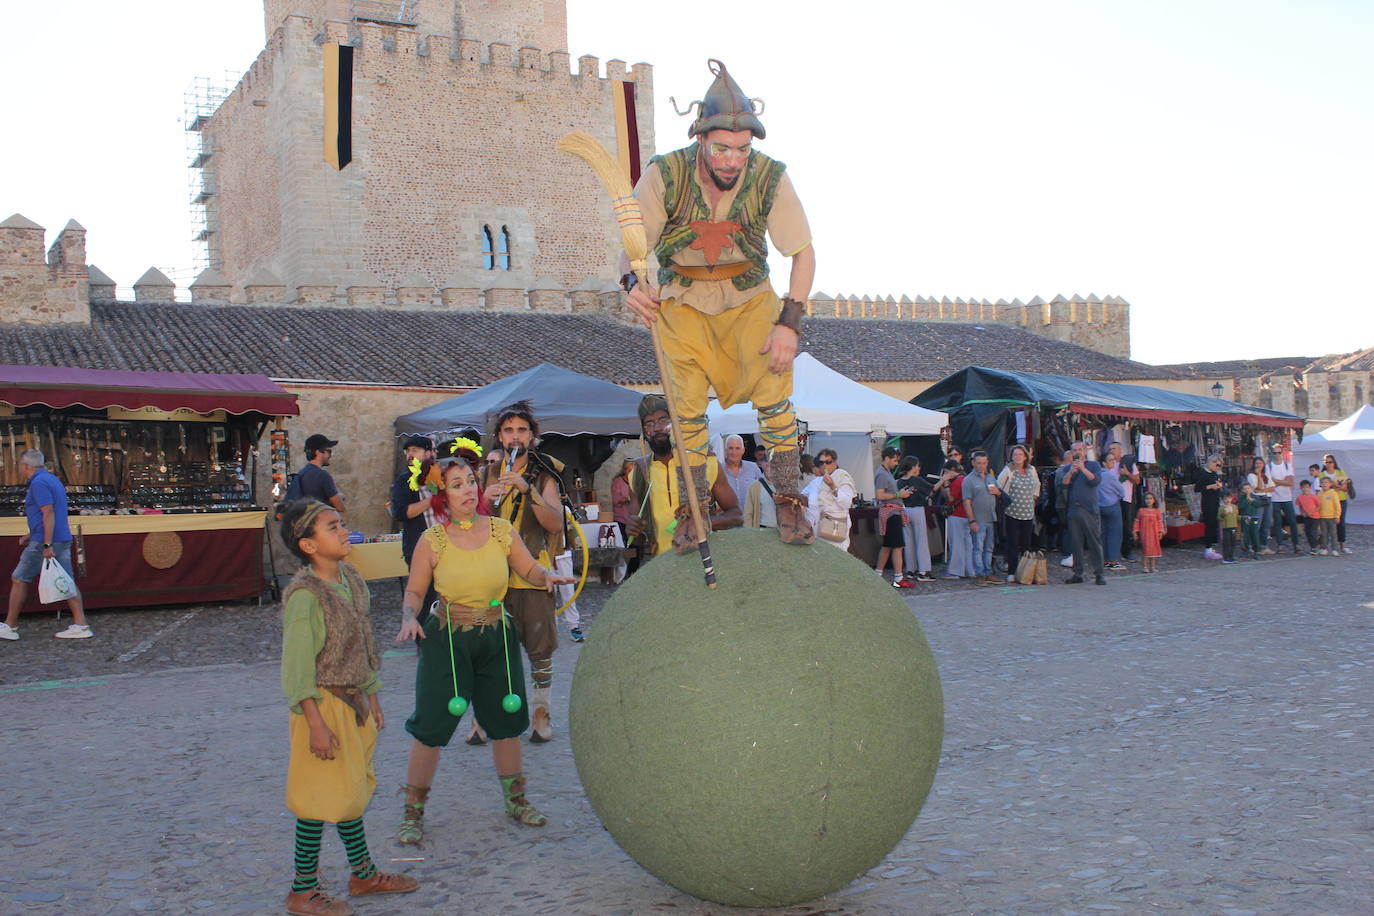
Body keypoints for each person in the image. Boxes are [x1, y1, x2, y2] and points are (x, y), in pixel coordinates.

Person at [623, 59, 815, 548]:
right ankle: (693, 509)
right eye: (722, 148)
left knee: (775, 398)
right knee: (685, 413)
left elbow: (802, 252)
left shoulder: (770, 177)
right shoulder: (665, 173)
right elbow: (631, 242)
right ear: (701, 139)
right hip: (681, 306)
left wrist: (789, 323)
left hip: (750, 301)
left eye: (742, 149)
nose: (733, 159)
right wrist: (630, 282)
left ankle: (790, 501)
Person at [394, 454, 576, 846]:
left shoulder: (500, 530)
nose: (467, 489)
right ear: (442, 493)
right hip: (447, 639)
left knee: (507, 722)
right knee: (430, 727)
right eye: (456, 483)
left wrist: (547, 577)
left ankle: (517, 800)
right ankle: (413, 811)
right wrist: (410, 616)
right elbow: (415, 590)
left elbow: (527, 569)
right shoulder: (433, 539)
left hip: (496, 636)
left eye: (470, 481)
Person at [278, 499, 418, 915]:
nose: (343, 532)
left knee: (349, 792)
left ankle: (362, 875)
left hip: (353, 702)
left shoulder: (352, 579)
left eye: (342, 524)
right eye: (332, 527)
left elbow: (363, 642)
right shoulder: (306, 598)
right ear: (308, 545)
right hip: (321, 707)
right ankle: (302, 889)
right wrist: (316, 724)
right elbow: (297, 669)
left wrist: (372, 694)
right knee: (318, 798)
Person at [481, 402, 566, 744]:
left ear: (532, 437)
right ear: (499, 436)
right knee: (489, 648)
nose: (514, 436)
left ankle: (541, 712)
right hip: (490, 576)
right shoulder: (486, 473)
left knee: (539, 648)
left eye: (521, 430)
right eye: (508, 430)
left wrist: (526, 489)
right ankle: (487, 715)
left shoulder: (545, 474)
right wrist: (483, 499)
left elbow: (554, 523)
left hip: (532, 573)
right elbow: (465, 523)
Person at [625, 395, 741, 560]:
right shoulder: (638, 472)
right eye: (649, 423)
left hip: (702, 561)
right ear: (644, 432)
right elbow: (639, 537)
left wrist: (701, 523)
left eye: (663, 420)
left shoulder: (704, 462)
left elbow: (736, 515)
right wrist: (633, 529)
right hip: (660, 567)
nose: (657, 428)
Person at [0, 449, 92, 641]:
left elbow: (47, 512)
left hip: (45, 540)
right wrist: (30, 534)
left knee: (19, 578)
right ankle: (81, 623)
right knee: (66, 580)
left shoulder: (38, 483)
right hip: (60, 537)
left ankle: (10, 625)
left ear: (26, 466)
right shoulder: (52, 480)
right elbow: (52, 511)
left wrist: (45, 543)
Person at [1061, 441, 1105, 585]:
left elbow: (1095, 481)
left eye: (1080, 449)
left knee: (1094, 542)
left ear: (1085, 451)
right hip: (1074, 509)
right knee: (1076, 544)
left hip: (1089, 509)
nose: (1078, 452)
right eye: (1075, 450)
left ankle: (1099, 573)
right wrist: (1071, 472)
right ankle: (1077, 573)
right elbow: (1064, 483)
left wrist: (1083, 468)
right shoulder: (1069, 467)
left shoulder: (1094, 465)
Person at [389, 435, 438, 566]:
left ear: (428, 453)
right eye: (407, 451)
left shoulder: (442, 475)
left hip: (446, 546)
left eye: (415, 450)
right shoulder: (404, 480)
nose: (409, 454)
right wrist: (432, 500)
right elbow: (400, 513)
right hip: (419, 548)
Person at [996, 445, 1040, 582]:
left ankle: (1026, 571)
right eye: (1015, 455)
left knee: (1026, 543)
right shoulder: (1008, 470)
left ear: (1025, 456)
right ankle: (1012, 571)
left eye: (1020, 454)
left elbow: (1036, 485)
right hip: (1012, 512)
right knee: (1013, 543)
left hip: (1027, 512)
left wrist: (1033, 499)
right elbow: (999, 485)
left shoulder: (1031, 469)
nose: (1018, 457)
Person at [874, 447, 915, 588]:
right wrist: (899, 495)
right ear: (887, 458)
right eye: (895, 460)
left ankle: (878, 574)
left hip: (892, 512)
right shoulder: (882, 474)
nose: (897, 463)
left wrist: (900, 494)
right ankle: (898, 577)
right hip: (891, 513)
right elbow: (880, 495)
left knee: (888, 546)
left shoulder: (886, 473)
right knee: (897, 546)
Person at [961, 451, 1001, 585]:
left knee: (989, 548)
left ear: (987, 463)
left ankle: (988, 572)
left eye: (984, 463)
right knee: (978, 548)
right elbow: (967, 502)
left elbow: (998, 493)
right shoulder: (968, 480)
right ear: (973, 463)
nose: (981, 466)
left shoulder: (990, 477)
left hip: (990, 518)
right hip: (978, 519)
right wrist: (972, 520)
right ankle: (980, 574)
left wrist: (998, 492)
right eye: (978, 463)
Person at [897, 457, 936, 581]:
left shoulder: (898, 481)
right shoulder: (916, 480)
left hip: (905, 510)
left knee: (908, 541)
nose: (919, 468)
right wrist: (943, 480)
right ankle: (923, 571)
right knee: (921, 541)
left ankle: (910, 570)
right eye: (918, 466)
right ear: (913, 467)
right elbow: (932, 491)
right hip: (917, 510)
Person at [811, 448, 855, 551]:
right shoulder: (819, 480)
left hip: (836, 525)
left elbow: (847, 502)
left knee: (836, 556)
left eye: (828, 462)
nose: (824, 465)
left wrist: (833, 486)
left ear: (835, 463)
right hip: (821, 525)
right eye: (821, 462)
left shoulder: (842, 476)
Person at [942, 459, 975, 579]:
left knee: (956, 544)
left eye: (945, 472)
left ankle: (955, 571)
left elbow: (950, 498)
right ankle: (969, 570)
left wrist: (945, 484)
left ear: (951, 471)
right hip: (967, 515)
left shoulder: (957, 481)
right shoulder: (966, 479)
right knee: (967, 544)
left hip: (956, 515)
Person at [1265, 443, 1300, 554]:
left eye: (1279, 452)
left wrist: (1278, 481)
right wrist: (1283, 482)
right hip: (1275, 498)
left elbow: (1290, 482)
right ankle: (1280, 544)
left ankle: (1296, 544)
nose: (1277, 455)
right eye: (1274, 453)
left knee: (1292, 521)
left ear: (1282, 453)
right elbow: (1271, 483)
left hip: (1286, 497)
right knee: (1277, 522)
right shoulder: (1269, 466)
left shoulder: (1287, 465)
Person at [1108, 442, 1140, 561]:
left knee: (1126, 526)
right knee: (1111, 526)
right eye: (1110, 448)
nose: (1112, 450)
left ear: (1120, 450)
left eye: (1114, 448)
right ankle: (1112, 552)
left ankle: (1127, 552)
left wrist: (1127, 473)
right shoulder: (1108, 464)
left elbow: (1137, 480)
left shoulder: (1128, 463)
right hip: (1110, 499)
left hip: (1125, 498)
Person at [299, 434, 345, 513]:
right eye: (329, 451)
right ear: (318, 452)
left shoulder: (302, 473)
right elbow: (340, 507)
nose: (331, 455)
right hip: (322, 522)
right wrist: (340, 496)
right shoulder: (323, 475)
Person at [610, 459, 640, 578]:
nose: (631, 472)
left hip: (633, 518)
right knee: (625, 545)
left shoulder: (637, 481)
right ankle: (624, 572)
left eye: (633, 470)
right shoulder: (618, 482)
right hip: (621, 519)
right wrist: (629, 498)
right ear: (624, 470)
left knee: (635, 545)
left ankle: (635, 571)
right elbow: (616, 501)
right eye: (629, 470)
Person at [721, 434, 765, 509]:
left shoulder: (753, 467)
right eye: (730, 448)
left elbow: (764, 490)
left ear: (743, 450)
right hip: (728, 519)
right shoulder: (719, 470)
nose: (734, 452)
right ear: (725, 450)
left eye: (737, 448)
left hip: (751, 518)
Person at [1320, 454, 1353, 554]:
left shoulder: (1340, 472)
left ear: (1334, 462)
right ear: (1324, 463)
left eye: (1330, 462)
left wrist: (1334, 487)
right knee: (1326, 526)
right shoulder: (1322, 475)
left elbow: (1346, 488)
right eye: (1327, 462)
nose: (1329, 464)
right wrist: (1337, 487)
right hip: (1327, 502)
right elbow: (1322, 488)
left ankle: (1342, 545)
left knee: (1341, 523)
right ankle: (1326, 546)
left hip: (1341, 500)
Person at [1098, 454, 1126, 570]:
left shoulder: (1096, 475)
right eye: (1110, 460)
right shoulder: (1109, 475)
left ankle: (1104, 559)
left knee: (1103, 534)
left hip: (1099, 506)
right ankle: (1113, 560)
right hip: (1112, 505)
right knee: (1115, 533)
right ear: (1104, 463)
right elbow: (1121, 491)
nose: (1113, 462)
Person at [1197, 455, 1225, 560]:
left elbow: (1218, 485)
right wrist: (1210, 487)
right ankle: (1208, 548)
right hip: (1207, 502)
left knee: (1213, 524)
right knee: (1209, 524)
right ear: (1210, 462)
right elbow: (1198, 488)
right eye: (1215, 464)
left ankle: (1211, 547)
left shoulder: (1214, 474)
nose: (1216, 466)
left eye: (1218, 465)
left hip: (1215, 501)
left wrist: (1218, 486)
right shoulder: (1202, 473)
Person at [1246, 458, 1275, 555]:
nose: (1258, 465)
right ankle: (1252, 546)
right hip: (1258, 501)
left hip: (1267, 499)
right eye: (1256, 463)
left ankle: (1264, 546)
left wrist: (1263, 490)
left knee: (1266, 523)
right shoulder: (1251, 475)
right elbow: (1258, 487)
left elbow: (1272, 488)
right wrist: (1258, 475)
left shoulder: (1266, 475)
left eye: (1260, 463)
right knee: (1256, 524)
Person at [1133, 490, 1165, 572]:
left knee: (1154, 550)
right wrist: (1135, 532)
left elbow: (1160, 522)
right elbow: (1137, 522)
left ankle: (1153, 567)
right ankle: (1145, 566)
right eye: (1147, 498)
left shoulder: (1157, 511)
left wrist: (1161, 532)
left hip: (1154, 534)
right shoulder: (1141, 511)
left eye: (1150, 498)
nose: (1149, 500)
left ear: (1154, 500)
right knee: (1146, 549)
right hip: (1145, 534)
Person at [1316, 476, 1342, 555]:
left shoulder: (1333, 493)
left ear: (1330, 484)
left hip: (1332, 517)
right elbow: (1317, 505)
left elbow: (1337, 505)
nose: (1324, 484)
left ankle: (1335, 549)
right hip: (1322, 517)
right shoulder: (1319, 494)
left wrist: (1337, 516)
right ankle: (1324, 548)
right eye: (1323, 482)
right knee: (1324, 534)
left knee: (1333, 534)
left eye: (1326, 482)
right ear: (1320, 484)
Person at [1295, 479, 1321, 554]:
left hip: (1315, 517)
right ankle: (1313, 546)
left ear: (1310, 488)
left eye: (1307, 487)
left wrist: (1311, 512)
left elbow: (1319, 506)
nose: (1305, 489)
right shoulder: (1300, 497)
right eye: (1303, 487)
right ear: (1301, 488)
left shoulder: (1313, 497)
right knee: (1307, 532)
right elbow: (1300, 506)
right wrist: (1302, 512)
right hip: (1306, 517)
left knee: (1313, 532)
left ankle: (1314, 547)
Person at [1238, 482, 1263, 559]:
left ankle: (1256, 551)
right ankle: (1245, 550)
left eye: (1248, 488)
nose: (1247, 490)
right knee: (1246, 534)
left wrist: (1252, 500)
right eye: (1245, 489)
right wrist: (1247, 499)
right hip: (1246, 518)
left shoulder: (1255, 497)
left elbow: (1258, 505)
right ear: (1243, 490)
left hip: (1254, 518)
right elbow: (1241, 506)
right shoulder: (1242, 498)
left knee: (1255, 534)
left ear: (1251, 489)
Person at [1218, 490, 1241, 564]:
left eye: (1229, 498)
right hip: (1226, 528)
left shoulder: (1234, 507)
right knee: (1226, 543)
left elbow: (1237, 516)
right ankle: (1226, 558)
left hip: (1233, 527)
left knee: (1233, 543)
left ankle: (1231, 557)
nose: (1227, 500)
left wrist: (1245, 518)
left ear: (1232, 498)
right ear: (1222, 499)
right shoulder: (1221, 508)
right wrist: (1224, 514)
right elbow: (1219, 518)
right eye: (1225, 499)